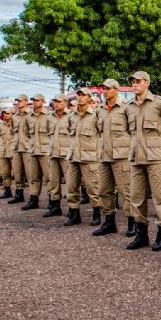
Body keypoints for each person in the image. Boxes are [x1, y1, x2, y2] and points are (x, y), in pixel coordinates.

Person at [125, 71, 161, 251]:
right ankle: (142, 234)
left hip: (156, 157)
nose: (134, 84)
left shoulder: (159, 103)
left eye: (138, 81)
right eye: (132, 81)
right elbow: (128, 130)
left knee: (159, 197)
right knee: (137, 197)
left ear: (147, 83)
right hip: (136, 156)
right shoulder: (128, 106)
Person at [94, 80, 132, 236]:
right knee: (104, 190)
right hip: (105, 155)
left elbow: (132, 130)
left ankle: (133, 222)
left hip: (121, 155)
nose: (105, 91)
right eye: (103, 88)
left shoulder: (126, 107)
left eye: (108, 88)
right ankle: (109, 222)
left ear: (116, 90)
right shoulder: (101, 109)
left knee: (126, 191)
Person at [64, 89, 101, 227]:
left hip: (89, 157)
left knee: (93, 188)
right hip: (74, 156)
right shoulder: (71, 116)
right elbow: (70, 132)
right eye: (78, 95)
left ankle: (97, 213)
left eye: (83, 95)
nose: (80, 98)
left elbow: (101, 134)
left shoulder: (95, 115)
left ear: (89, 98)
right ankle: (74, 214)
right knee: (71, 187)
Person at [22, 94, 52, 211]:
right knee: (33, 177)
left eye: (37, 100)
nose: (34, 102)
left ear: (43, 101)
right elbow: (26, 133)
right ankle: (34, 199)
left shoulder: (49, 116)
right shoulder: (29, 117)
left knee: (49, 177)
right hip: (33, 150)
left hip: (45, 150)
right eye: (33, 100)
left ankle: (52, 200)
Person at [44, 94, 70, 217]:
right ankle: (55, 207)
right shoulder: (50, 117)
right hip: (53, 153)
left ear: (65, 102)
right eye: (55, 101)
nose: (56, 104)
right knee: (54, 182)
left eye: (59, 101)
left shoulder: (71, 116)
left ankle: (72, 210)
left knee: (70, 183)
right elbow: (49, 133)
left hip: (66, 154)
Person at [8, 95, 31, 204]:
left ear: (26, 102)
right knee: (17, 173)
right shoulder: (14, 117)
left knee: (30, 174)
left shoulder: (31, 115)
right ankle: (19, 194)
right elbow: (12, 131)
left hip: (27, 148)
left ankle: (33, 196)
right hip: (17, 147)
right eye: (17, 101)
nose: (18, 103)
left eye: (20, 101)